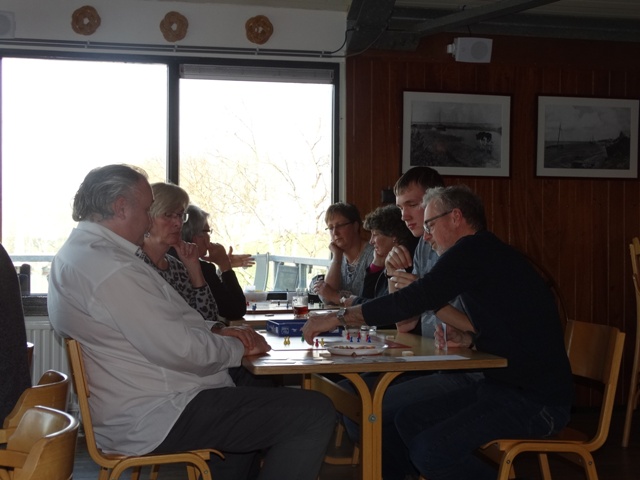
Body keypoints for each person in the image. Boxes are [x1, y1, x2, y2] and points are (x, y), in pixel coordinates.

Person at [48, 164, 335, 480]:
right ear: (120, 207)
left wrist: (218, 330)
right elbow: (180, 348)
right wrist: (236, 348)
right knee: (314, 412)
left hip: (140, 401)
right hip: (158, 413)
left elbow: (174, 320)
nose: (148, 220)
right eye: (146, 210)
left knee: (255, 387)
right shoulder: (112, 268)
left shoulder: (83, 255)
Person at [302, 185, 573, 480]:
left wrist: (339, 318)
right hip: (501, 387)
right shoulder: (485, 254)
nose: (427, 236)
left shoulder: (474, 251)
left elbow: (416, 298)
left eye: (430, 225)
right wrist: (470, 339)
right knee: (408, 420)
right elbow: (515, 327)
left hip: (538, 402)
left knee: (430, 452)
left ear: (456, 217)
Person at [138, 182, 219, 324]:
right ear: (148, 218)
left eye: (180, 215)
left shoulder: (176, 267)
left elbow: (208, 318)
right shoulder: (136, 264)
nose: (178, 223)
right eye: (168, 215)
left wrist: (194, 269)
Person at [385, 166, 446, 336]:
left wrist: (422, 292)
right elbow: (404, 323)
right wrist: (393, 273)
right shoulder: (423, 245)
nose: (404, 216)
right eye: (400, 208)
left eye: (412, 204)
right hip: (431, 350)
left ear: (437, 202)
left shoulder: (460, 246)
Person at [179, 204, 251, 321]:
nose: (209, 237)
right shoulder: (202, 269)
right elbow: (236, 310)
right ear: (194, 236)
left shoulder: (173, 261)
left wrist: (222, 268)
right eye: (207, 231)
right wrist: (225, 266)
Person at [346, 204, 418, 307]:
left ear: (393, 235)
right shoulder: (386, 260)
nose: (371, 241)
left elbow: (384, 307)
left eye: (375, 234)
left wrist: (355, 301)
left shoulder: (404, 262)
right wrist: (376, 264)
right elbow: (369, 296)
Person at [313, 202, 374, 306]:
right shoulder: (338, 257)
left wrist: (335, 296)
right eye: (331, 228)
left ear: (355, 226)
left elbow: (370, 304)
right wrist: (337, 256)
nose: (335, 232)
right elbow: (326, 298)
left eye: (339, 226)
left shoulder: (373, 255)